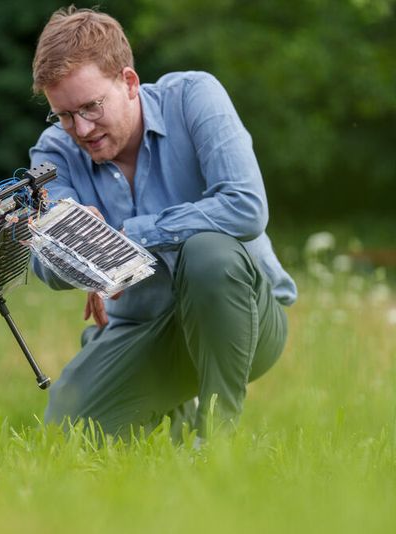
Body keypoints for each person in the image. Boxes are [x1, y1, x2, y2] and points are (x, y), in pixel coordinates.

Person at [28, 6, 296, 440]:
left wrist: (125, 236)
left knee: (208, 252)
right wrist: (64, 248)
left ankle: (217, 439)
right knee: (65, 435)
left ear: (129, 82)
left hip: (245, 318)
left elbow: (245, 206)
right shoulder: (54, 152)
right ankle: (174, 415)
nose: (80, 127)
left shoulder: (194, 97)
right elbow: (49, 269)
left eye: (91, 107)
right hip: (142, 328)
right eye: (64, 115)